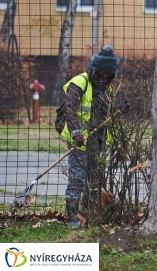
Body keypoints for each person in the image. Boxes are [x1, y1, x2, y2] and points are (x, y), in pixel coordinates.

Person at [60, 44, 124, 227]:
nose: (104, 76)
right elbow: (69, 109)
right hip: (79, 139)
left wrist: (120, 109)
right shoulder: (80, 82)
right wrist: (75, 131)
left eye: (108, 73)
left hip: (99, 140)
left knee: (95, 179)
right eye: (102, 72)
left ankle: (89, 214)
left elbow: (109, 111)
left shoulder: (109, 87)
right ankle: (72, 217)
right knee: (77, 178)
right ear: (95, 69)